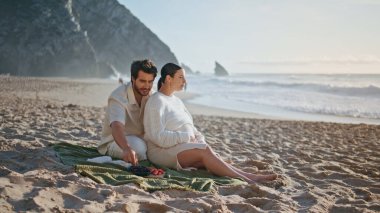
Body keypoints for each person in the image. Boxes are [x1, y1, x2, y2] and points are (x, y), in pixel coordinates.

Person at [143, 63, 277, 183]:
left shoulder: (177, 101)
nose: (185, 81)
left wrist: (199, 138)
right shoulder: (156, 101)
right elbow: (157, 136)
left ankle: (248, 175)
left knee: (209, 152)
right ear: (168, 78)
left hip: (180, 145)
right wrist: (185, 137)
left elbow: (190, 126)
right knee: (205, 151)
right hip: (161, 151)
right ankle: (248, 179)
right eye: (181, 77)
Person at [98, 59, 157, 165]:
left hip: (142, 140)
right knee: (138, 148)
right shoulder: (118, 96)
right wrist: (126, 148)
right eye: (142, 81)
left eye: (150, 81)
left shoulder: (152, 96)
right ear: (133, 79)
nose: (147, 86)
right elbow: (117, 125)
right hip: (117, 142)